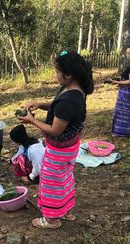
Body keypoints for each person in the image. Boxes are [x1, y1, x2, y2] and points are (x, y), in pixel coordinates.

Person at [18, 51, 94, 228]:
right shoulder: (74, 89)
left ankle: (51, 219)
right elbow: (58, 107)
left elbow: (55, 130)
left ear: (68, 75)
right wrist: (41, 105)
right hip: (69, 148)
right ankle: (65, 210)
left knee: (51, 182)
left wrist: (32, 120)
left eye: (58, 71)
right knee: (64, 178)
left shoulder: (70, 100)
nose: (55, 75)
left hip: (59, 150)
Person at [110, 44, 130, 137]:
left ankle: (120, 132)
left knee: (123, 112)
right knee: (126, 111)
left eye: (129, 53)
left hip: (128, 92)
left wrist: (116, 82)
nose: (127, 55)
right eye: (126, 53)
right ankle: (121, 131)